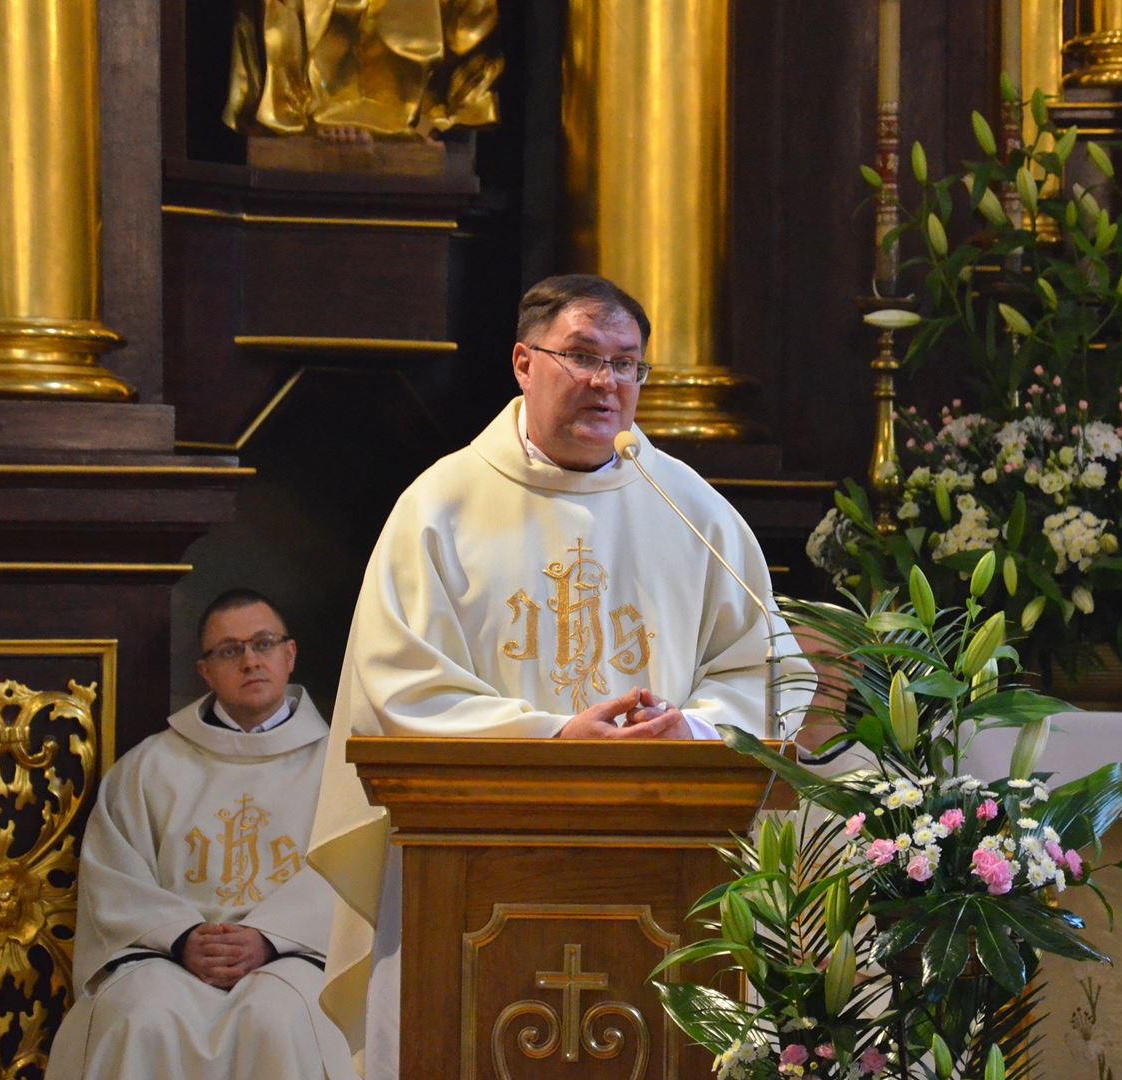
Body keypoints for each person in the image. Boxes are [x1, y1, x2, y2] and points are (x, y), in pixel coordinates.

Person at [304, 274, 808, 1077]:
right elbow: (395, 687)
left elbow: (772, 667)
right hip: (469, 861)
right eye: (579, 356)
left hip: (663, 848)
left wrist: (694, 728)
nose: (605, 382)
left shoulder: (690, 507)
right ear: (521, 363)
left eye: (625, 363)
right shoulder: (439, 507)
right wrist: (553, 737)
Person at [47, 589, 355, 1080]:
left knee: (277, 1018)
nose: (250, 661)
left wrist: (271, 938)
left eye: (264, 643)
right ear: (205, 672)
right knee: (140, 1014)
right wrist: (183, 937)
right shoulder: (149, 767)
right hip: (170, 959)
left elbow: (355, 873)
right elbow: (114, 877)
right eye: (230, 651)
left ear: (289, 655)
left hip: (295, 958)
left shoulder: (341, 766)